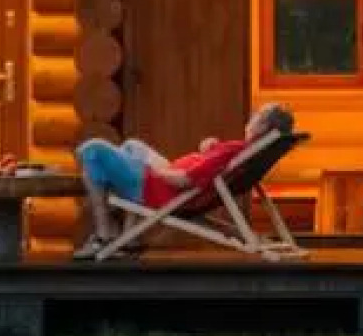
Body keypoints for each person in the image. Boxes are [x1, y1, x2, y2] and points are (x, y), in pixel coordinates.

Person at [71, 102, 295, 259]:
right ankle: (130, 238)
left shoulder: (234, 151)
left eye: (256, 116)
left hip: (157, 188)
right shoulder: (244, 151)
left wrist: (155, 170)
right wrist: (211, 148)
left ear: (263, 127)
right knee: (132, 146)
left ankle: (103, 235)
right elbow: (212, 165)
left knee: (92, 150)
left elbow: (185, 181)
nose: (250, 118)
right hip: (167, 185)